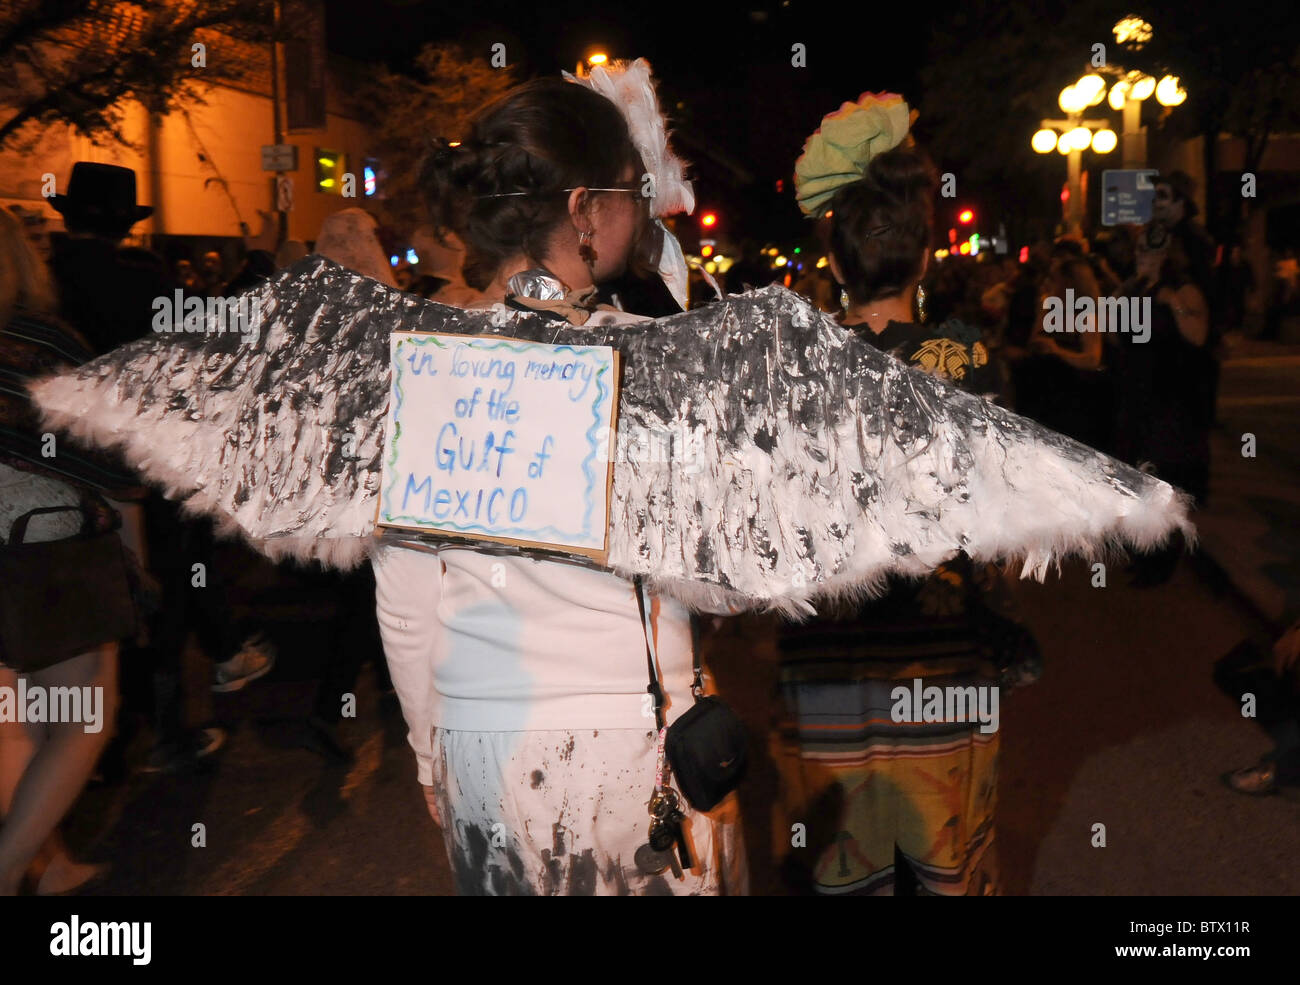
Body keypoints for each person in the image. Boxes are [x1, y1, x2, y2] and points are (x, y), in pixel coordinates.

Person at [375, 72, 747, 896]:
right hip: (637, 746)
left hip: (485, 749)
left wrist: (431, 754)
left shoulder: (427, 365)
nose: (643, 209)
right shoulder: (659, 360)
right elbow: (720, 582)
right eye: (632, 191)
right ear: (584, 210)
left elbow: (406, 602)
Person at [776, 92, 1036, 895]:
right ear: (925, 256)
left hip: (824, 677)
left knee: (839, 870)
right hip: (943, 673)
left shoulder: (789, 369)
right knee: (944, 867)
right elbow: (1002, 534)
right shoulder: (968, 363)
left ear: (835, 257)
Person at [0, 208, 142, 894]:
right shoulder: (38, 339)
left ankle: (47, 862)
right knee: (83, 713)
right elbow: (108, 458)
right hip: (39, 551)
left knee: (20, 723)